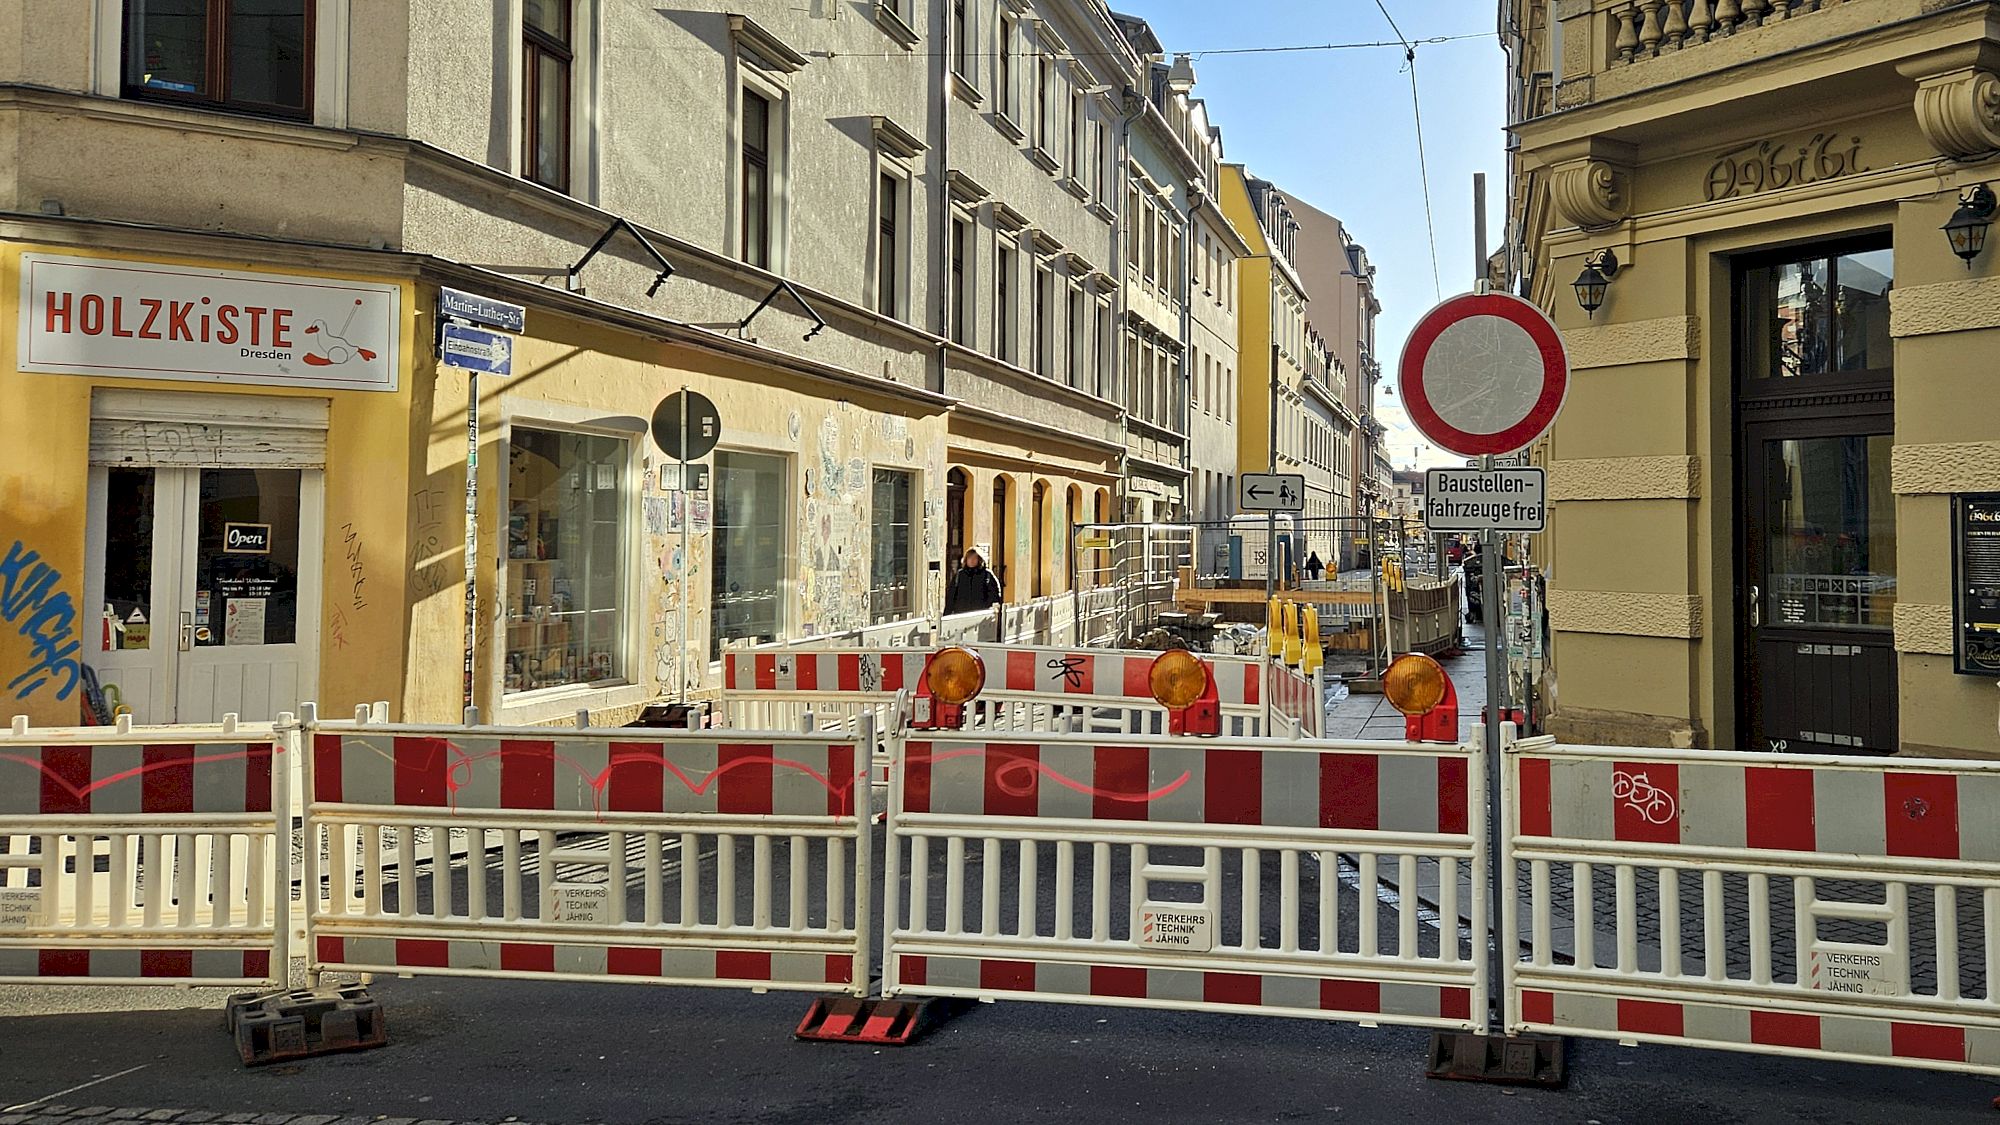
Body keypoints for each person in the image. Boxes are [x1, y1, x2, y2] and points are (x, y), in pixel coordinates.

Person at [945, 548, 1003, 615]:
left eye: (974, 558)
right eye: (969, 558)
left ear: (979, 560)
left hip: (981, 614)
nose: (972, 560)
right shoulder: (959, 575)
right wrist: (947, 614)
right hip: (961, 614)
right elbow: (951, 596)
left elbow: (994, 594)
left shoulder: (987, 575)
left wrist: (990, 609)